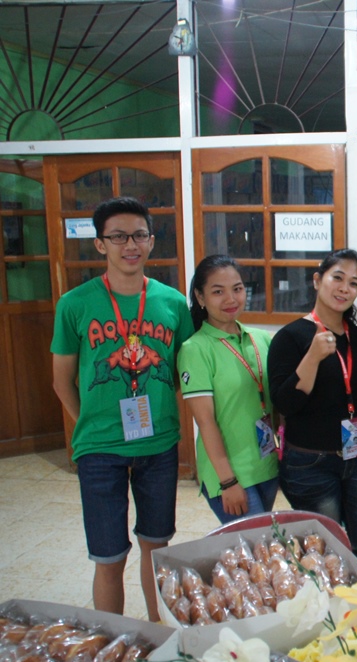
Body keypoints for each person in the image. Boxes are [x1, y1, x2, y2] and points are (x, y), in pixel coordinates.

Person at [50, 196, 194, 620]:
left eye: (139, 235)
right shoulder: (74, 304)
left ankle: (157, 631)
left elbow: (184, 372)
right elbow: (61, 380)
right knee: (109, 557)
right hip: (99, 450)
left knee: (156, 548)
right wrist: (91, 424)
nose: (130, 245)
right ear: (100, 244)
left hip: (159, 444)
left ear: (151, 241)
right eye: (118, 237)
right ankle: (111, 640)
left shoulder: (173, 303)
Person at [268, 249, 357, 560]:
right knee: (327, 557)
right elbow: (285, 403)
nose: (344, 288)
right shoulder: (290, 337)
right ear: (317, 280)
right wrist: (312, 357)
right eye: (337, 278)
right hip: (310, 465)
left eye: (353, 283)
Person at [178, 255, 279, 524]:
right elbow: (205, 422)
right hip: (230, 473)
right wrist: (227, 481)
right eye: (218, 292)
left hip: (266, 466)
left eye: (237, 289)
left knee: (261, 544)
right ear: (200, 297)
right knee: (258, 542)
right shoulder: (195, 349)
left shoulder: (261, 339)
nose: (231, 299)